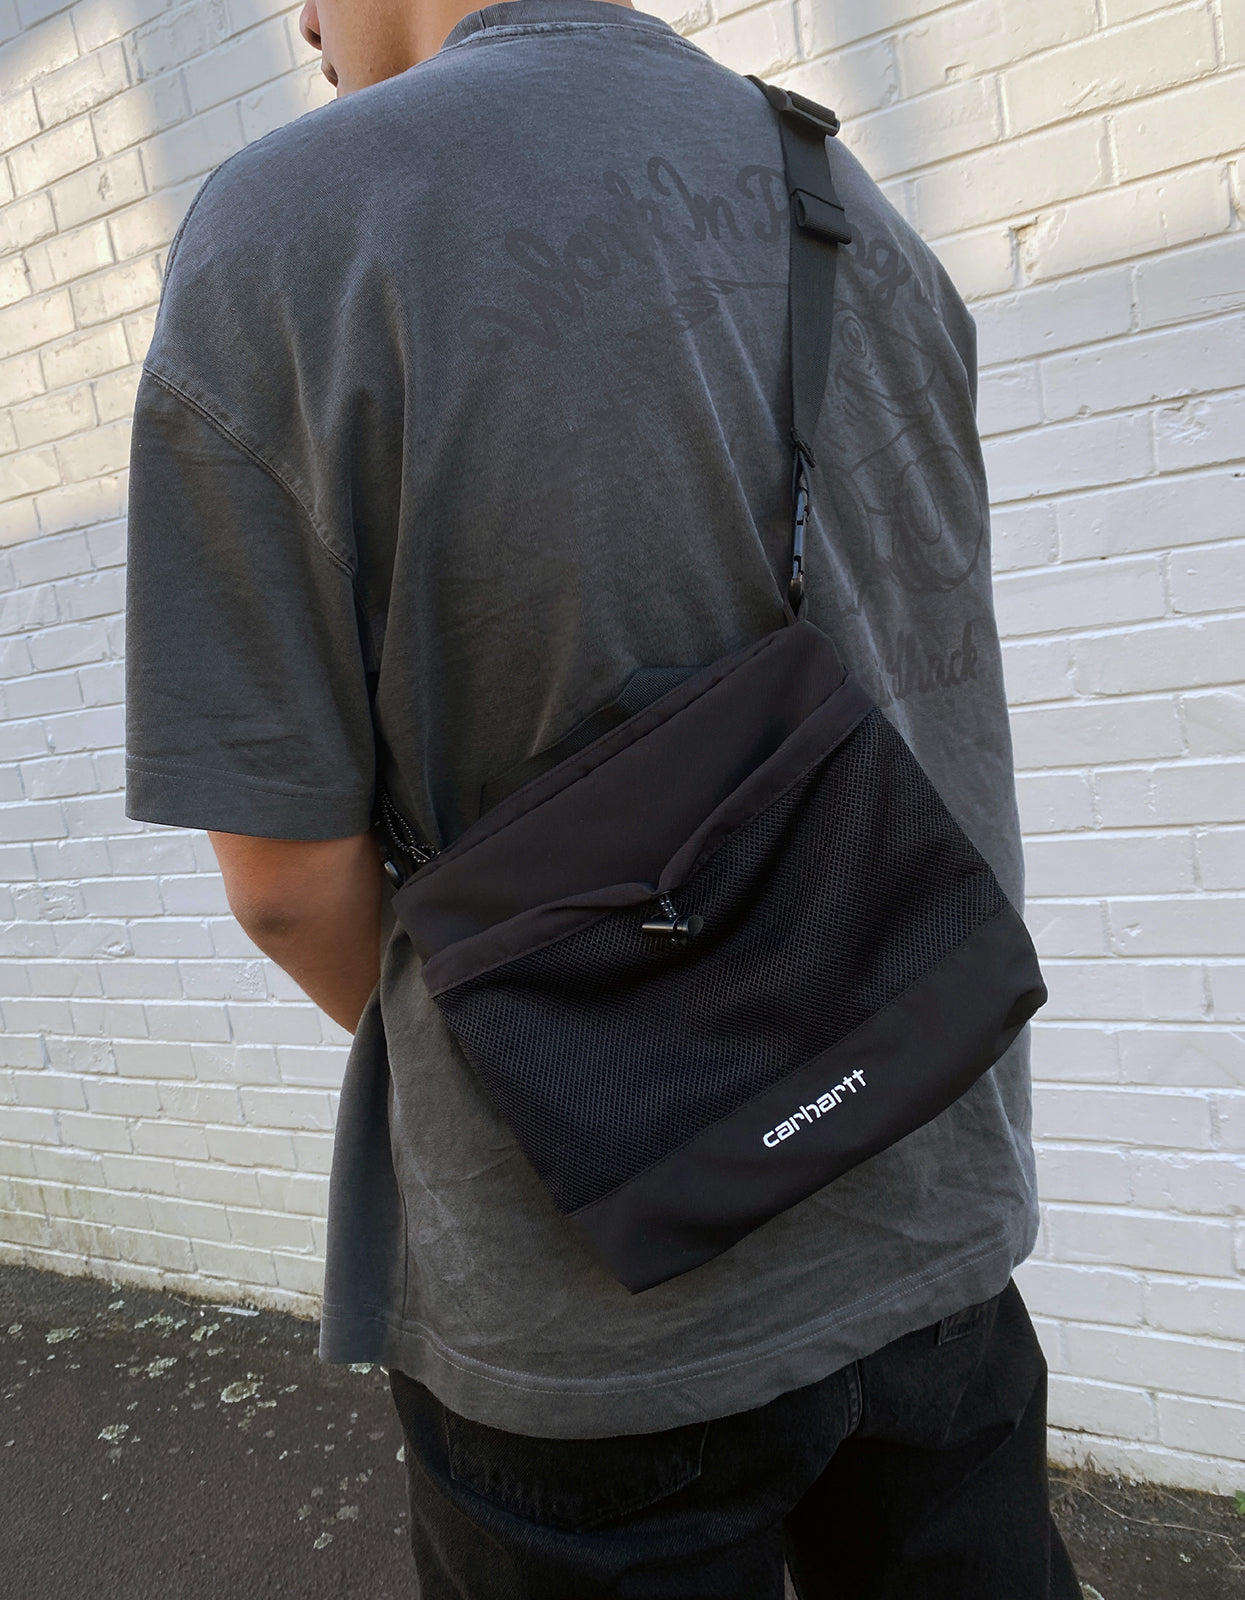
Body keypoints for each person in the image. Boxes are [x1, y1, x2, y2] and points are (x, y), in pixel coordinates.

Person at [123, 1, 1083, 1594]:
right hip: (932, 1196)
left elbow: (286, 885)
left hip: (594, 1308)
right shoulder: (839, 195)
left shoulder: (294, 222)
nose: (298, 20)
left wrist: (580, 1054)